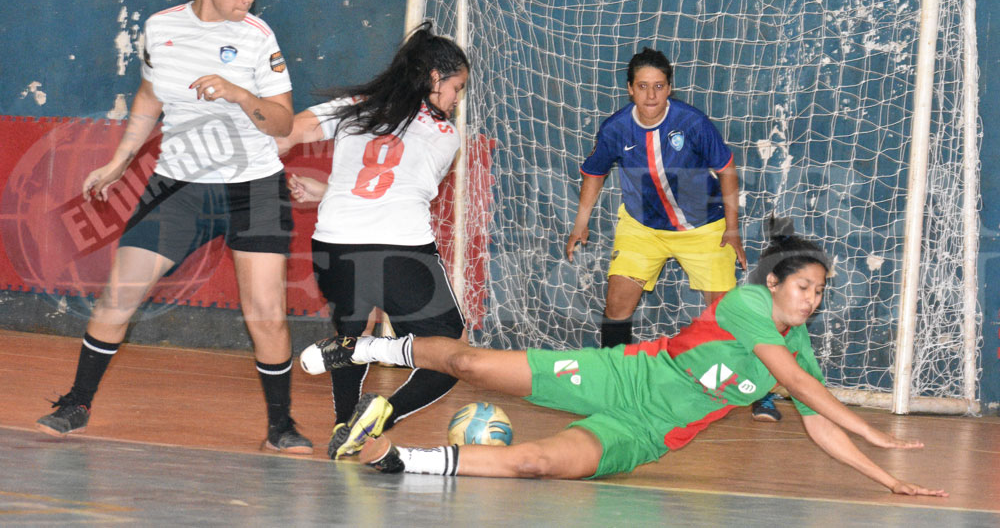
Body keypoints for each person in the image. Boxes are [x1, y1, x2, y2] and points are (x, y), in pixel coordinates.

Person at [299, 218, 948, 497]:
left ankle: (401, 461)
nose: (811, 299)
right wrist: (877, 429)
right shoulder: (748, 307)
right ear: (775, 282)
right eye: (805, 286)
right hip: (623, 373)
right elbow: (791, 379)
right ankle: (372, 346)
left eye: (820, 292)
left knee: (540, 463)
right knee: (472, 364)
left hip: (645, 433)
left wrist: (883, 475)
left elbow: (816, 417)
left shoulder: (797, 342)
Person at [36, 0, 311, 454]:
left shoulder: (257, 36)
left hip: (252, 186)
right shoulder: (161, 28)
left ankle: (281, 425)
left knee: (266, 312)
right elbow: (148, 94)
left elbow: (280, 120)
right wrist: (120, 159)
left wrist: (238, 93)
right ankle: (76, 403)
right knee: (119, 295)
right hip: (178, 187)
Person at [276, 22, 468, 460]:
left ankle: (347, 426)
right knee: (448, 350)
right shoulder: (445, 135)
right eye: (456, 88)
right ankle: (382, 414)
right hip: (400, 249)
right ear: (434, 79)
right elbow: (400, 189)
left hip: (333, 245)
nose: (456, 101)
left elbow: (289, 133)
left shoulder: (355, 106)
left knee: (348, 334)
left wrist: (317, 190)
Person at [564, 48, 783, 422]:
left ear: (670, 89)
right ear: (630, 89)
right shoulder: (615, 128)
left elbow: (728, 172)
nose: (651, 96)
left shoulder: (693, 123)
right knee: (617, 305)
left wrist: (732, 230)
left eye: (659, 86)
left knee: (730, 315)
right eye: (643, 87)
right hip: (642, 229)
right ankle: (614, 386)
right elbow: (595, 173)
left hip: (702, 230)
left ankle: (760, 391)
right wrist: (580, 222)